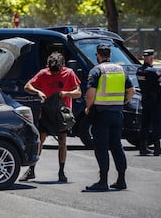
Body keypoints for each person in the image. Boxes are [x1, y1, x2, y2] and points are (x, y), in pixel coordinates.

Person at [19, 52, 81, 182]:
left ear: (63, 65)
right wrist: (38, 91)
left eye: (57, 71)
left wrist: (65, 93)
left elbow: (78, 93)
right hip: (47, 112)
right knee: (40, 140)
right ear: (48, 66)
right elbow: (27, 86)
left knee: (62, 142)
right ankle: (32, 169)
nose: (54, 73)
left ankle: (61, 171)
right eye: (52, 71)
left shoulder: (69, 73)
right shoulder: (43, 73)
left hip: (62, 114)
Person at [84, 44, 135, 191]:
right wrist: (123, 102)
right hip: (117, 114)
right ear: (110, 55)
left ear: (98, 55)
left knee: (101, 148)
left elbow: (90, 93)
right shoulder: (121, 70)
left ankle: (103, 181)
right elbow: (131, 91)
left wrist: (88, 107)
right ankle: (121, 180)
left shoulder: (97, 70)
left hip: (101, 114)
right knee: (117, 146)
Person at [136, 49, 161, 156]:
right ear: (151, 58)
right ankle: (157, 148)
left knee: (145, 124)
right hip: (155, 101)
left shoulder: (139, 71)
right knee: (156, 124)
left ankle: (143, 148)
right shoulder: (152, 71)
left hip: (145, 100)